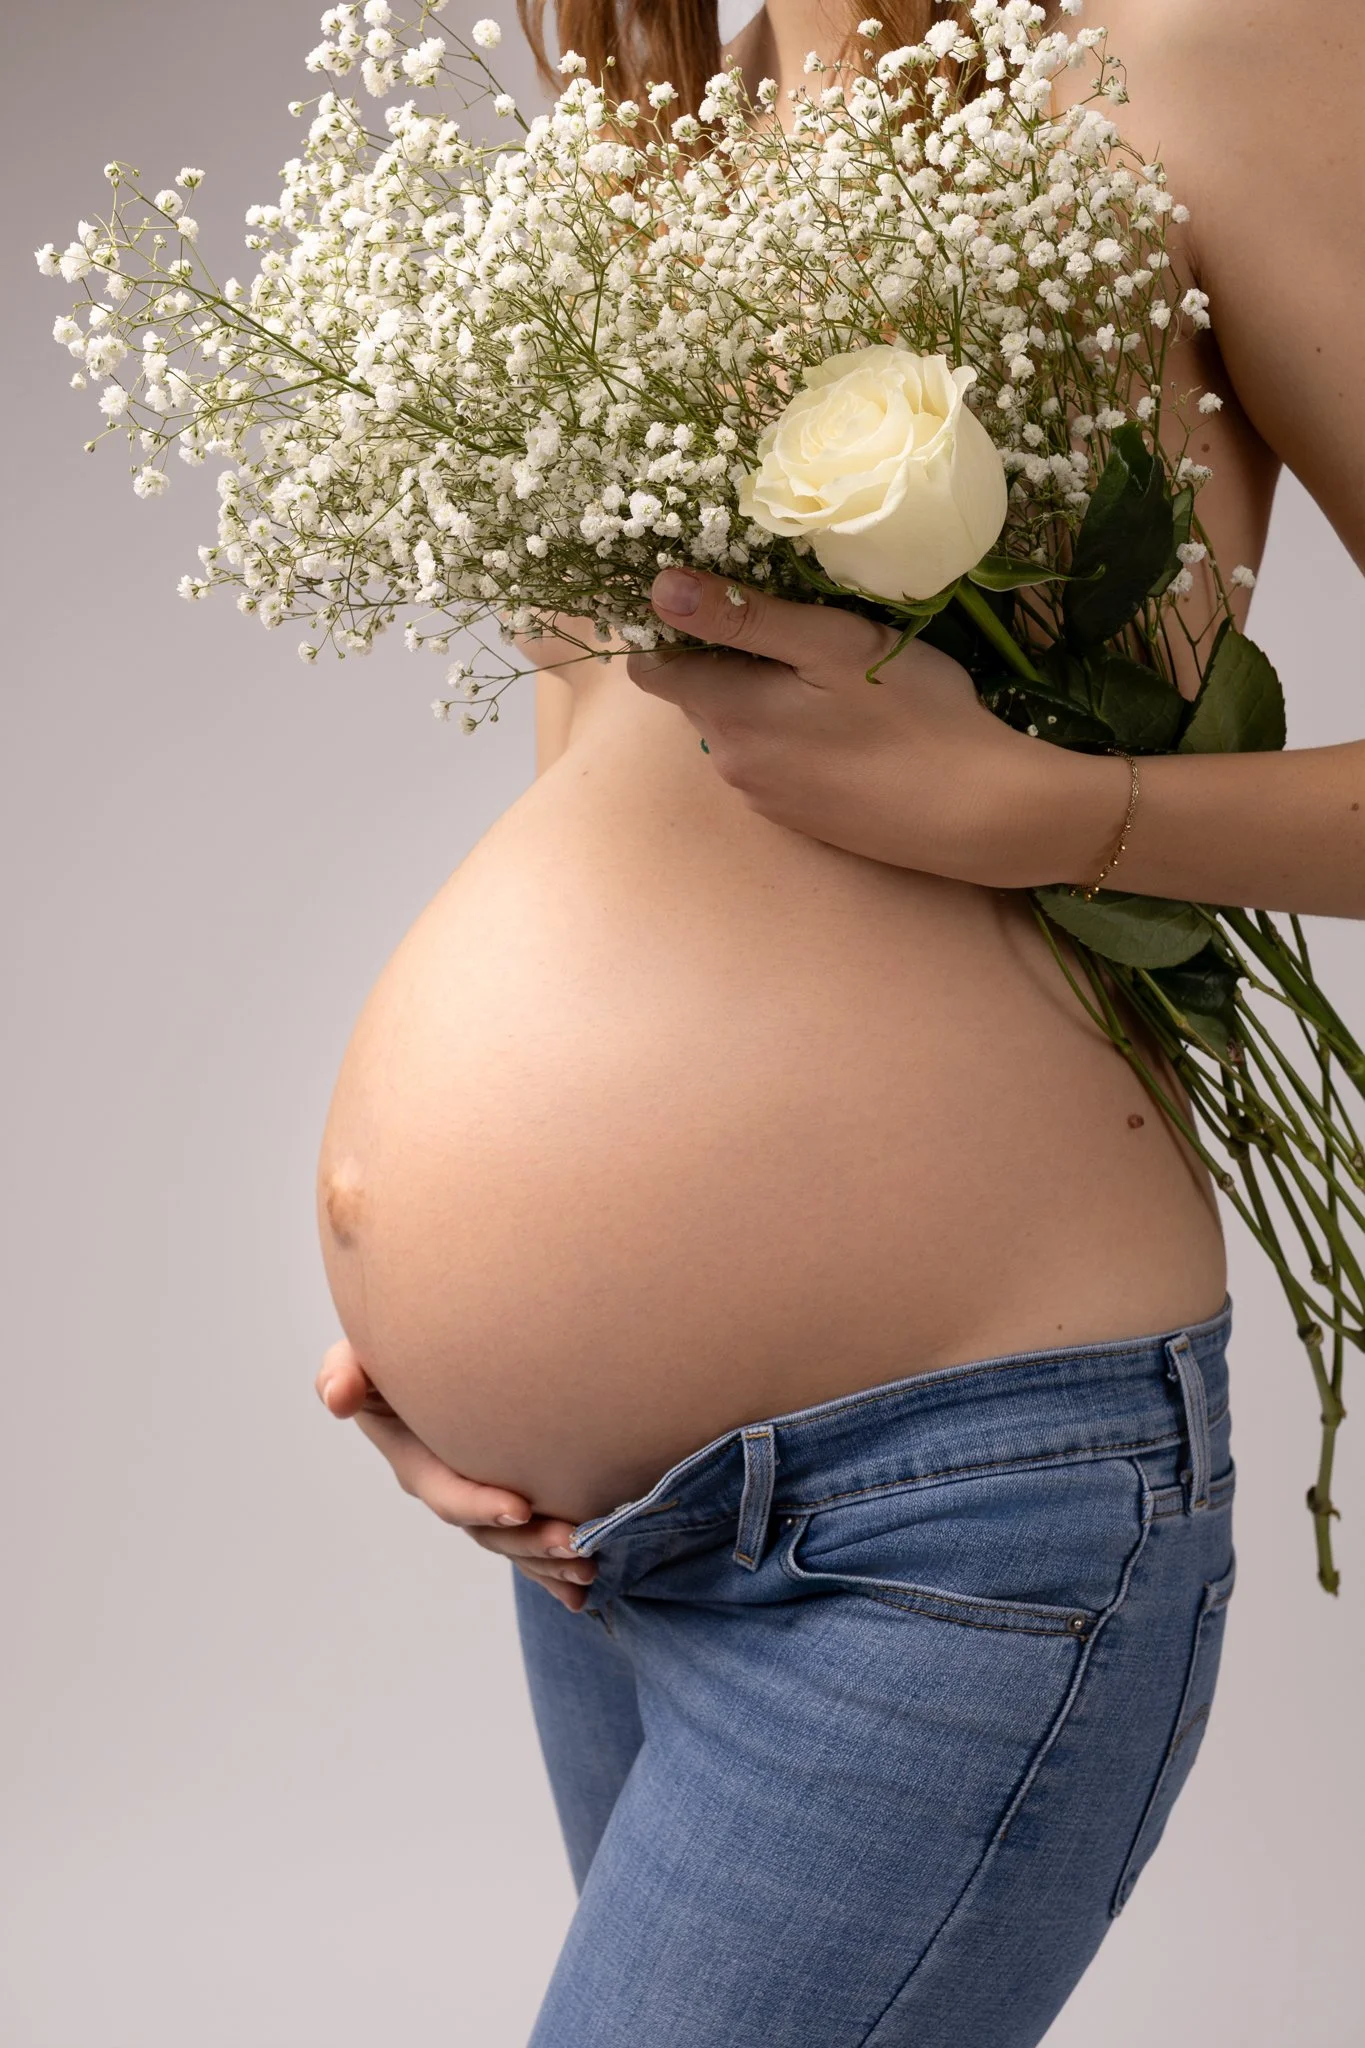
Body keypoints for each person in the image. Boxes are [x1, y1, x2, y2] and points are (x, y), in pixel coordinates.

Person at [314, 3, 1364, 2041]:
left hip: (938, 1510)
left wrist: (1069, 809)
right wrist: (470, 1340)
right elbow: (626, 775)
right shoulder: (693, 79)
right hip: (601, 1535)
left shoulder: (1212, 42)